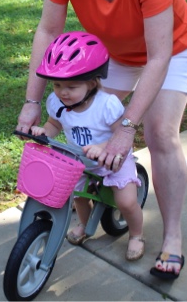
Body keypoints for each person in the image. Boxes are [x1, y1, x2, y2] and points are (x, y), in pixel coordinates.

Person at [16, 0, 187, 280]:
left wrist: (127, 127)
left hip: (172, 49)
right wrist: (32, 103)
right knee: (77, 117)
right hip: (115, 54)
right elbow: (48, 31)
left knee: (159, 133)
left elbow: (158, 56)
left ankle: (172, 236)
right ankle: (98, 196)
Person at [29, 31, 145, 261]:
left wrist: (103, 147)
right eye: (57, 85)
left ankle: (136, 235)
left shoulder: (107, 105)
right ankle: (84, 224)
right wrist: (45, 131)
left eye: (71, 87)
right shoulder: (57, 102)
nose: (63, 92)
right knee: (78, 197)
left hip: (113, 160)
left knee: (126, 201)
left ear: (92, 83)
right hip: (80, 161)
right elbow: (55, 123)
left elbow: (121, 136)